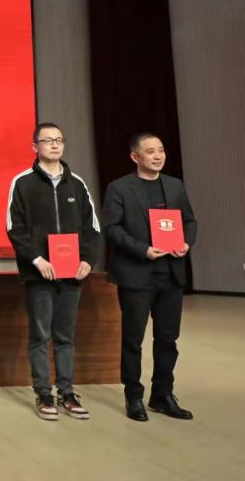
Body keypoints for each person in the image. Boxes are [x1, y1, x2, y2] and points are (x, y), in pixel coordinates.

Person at [7, 122, 100, 420]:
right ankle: (43, 392)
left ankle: (67, 392)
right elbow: (15, 228)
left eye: (59, 140)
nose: (55, 145)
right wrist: (37, 260)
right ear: (35, 147)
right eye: (48, 141)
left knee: (65, 336)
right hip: (39, 274)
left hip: (72, 274)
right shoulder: (22, 183)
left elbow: (92, 227)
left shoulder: (77, 184)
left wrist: (88, 260)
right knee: (40, 334)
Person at [101, 132, 197, 422]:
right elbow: (112, 227)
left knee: (168, 338)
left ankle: (162, 395)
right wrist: (142, 249)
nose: (158, 156)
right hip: (136, 274)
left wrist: (186, 242)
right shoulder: (119, 188)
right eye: (151, 151)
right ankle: (133, 396)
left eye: (161, 150)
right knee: (133, 339)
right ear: (135, 157)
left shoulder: (175, 185)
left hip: (171, 274)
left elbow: (189, 220)